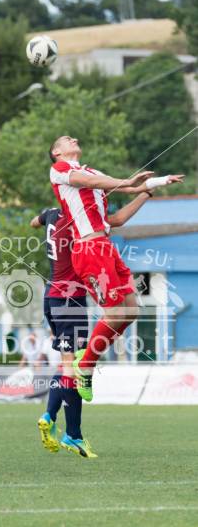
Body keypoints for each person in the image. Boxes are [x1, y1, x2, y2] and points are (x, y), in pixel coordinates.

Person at [30, 191, 166, 457]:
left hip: (52, 294)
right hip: (71, 298)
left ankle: (49, 415)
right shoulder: (77, 221)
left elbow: (34, 222)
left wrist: (43, 221)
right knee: (74, 367)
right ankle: (73, 435)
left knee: (66, 364)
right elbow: (116, 221)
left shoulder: (50, 214)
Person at [49, 135, 184, 401]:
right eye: (66, 139)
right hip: (88, 251)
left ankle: (86, 358)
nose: (73, 139)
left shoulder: (92, 172)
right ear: (56, 152)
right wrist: (127, 182)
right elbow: (89, 182)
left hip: (106, 248)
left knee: (131, 311)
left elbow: (118, 216)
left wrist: (150, 187)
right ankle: (85, 365)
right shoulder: (61, 170)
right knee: (113, 313)